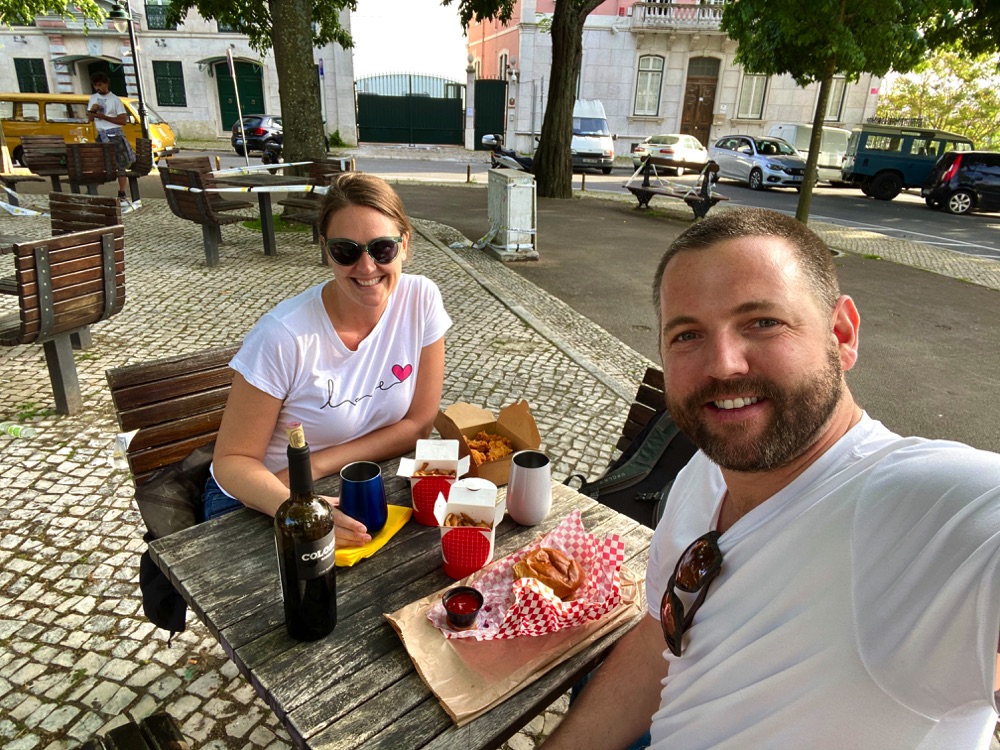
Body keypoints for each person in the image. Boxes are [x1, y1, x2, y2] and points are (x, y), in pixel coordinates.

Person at [545, 208, 1000, 749]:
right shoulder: (706, 473)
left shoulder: (926, 507)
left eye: (762, 322)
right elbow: (659, 642)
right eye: (687, 334)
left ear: (842, 333)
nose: (723, 364)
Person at [205, 172, 452, 547]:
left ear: (405, 244)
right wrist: (300, 507)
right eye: (346, 251)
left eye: (382, 248)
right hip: (260, 498)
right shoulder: (283, 336)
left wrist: (317, 465)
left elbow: (419, 424)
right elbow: (232, 462)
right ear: (326, 249)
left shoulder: (421, 301)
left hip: (344, 483)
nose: (367, 267)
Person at [87, 72, 134, 205]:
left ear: (106, 84)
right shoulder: (93, 98)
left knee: (120, 164)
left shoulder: (115, 100)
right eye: (96, 85)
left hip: (114, 135)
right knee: (98, 164)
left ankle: (122, 192)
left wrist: (105, 117)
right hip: (101, 134)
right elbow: (90, 119)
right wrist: (92, 111)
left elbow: (123, 120)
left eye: (100, 85)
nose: (98, 88)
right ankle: (93, 190)